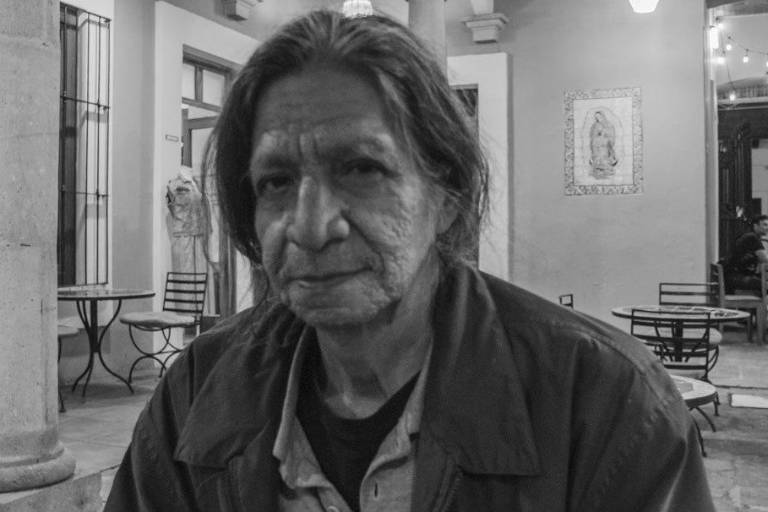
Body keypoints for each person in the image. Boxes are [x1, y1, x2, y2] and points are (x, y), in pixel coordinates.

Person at [105, 10, 714, 512]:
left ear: (446, 197)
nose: (311, 227)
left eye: (361, 168)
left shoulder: (606, 409)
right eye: (277, 182)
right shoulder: (198, 392)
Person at [725, 214, 768, 293]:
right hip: (737, 278)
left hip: (730, 276)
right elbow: (765, 259)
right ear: (755, 226)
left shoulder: (746, 234)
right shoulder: (752, 237)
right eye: (764, 225)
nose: (767, 228)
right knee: (765, 284)